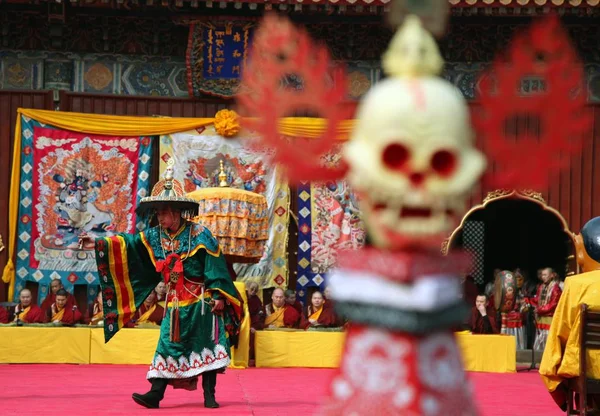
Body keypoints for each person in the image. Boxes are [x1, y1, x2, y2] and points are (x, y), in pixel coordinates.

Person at [87, 162, 243, 410]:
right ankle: (155, 395)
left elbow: (216, 266)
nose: (158, 216)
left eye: (162, 212)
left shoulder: (201, 234)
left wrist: (218, 295)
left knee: (207, 345)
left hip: (202, 300)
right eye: (157, 212)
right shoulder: (155, 235)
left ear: (176, 212)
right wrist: (97, 242)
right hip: (174, 303)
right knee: (167, 344)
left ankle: (209, 395)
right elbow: (129, 243)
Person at [532, 267, 562, 351]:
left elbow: (553, 304)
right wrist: (528, 301)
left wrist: (540, 309)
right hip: (540, 318)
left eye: (545, 275)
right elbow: (537, 299)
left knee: (548, 339)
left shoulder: (556, 288)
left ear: (552, 275)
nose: (543, 277)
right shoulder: (541, 287)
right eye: (542, 275)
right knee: (539, 338)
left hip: (550, 318)